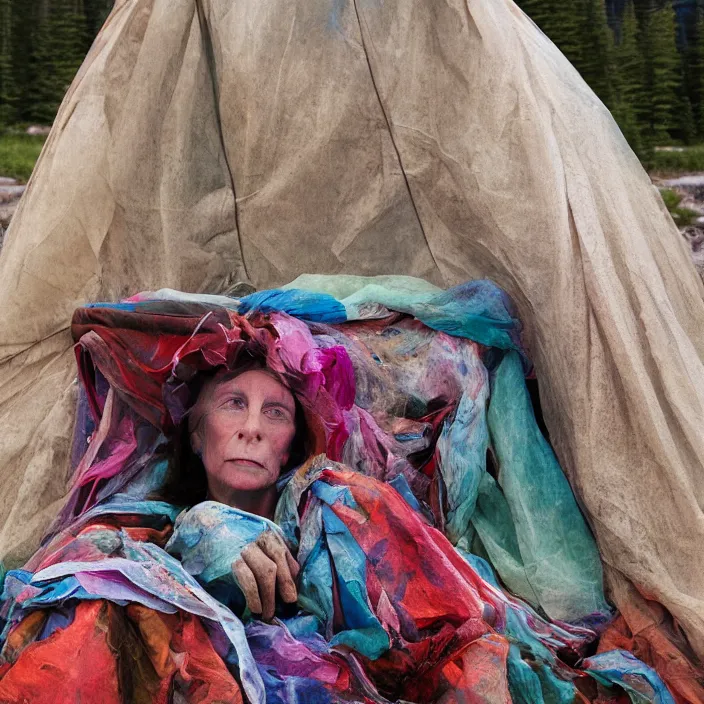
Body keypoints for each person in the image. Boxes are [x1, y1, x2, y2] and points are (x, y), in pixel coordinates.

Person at [0, 287, 681, 703]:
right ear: (196, 433)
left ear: (293, 442)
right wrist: (193, 544)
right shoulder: (146, 526)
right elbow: (64, 574)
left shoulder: (337, 504)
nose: (252, 428)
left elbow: (435, 631)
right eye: (233, 404)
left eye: (276, 413)